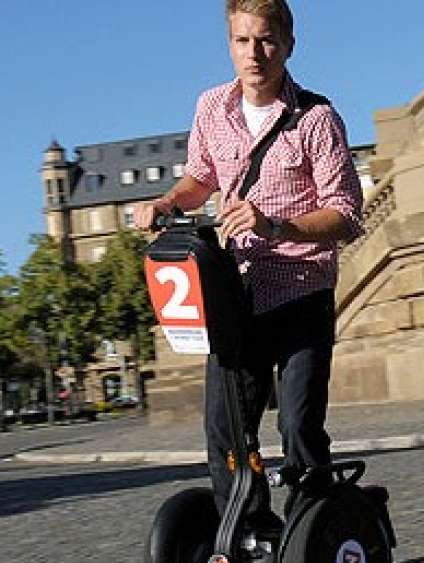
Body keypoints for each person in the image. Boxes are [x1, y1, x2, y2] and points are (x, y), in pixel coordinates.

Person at [134, 0, 363, 526]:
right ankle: (252, 532)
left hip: (302, 290)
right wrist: (169, 203)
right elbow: (201, 178)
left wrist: (275, 225)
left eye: (265, 40)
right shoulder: (211, 107)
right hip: (238, 294)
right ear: (229, 44)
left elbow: (347, 215)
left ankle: (315, 537)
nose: (254, 53)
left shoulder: (317, 118)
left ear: (287, 44)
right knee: (225, 427)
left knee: (299, 428)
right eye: (242, 41)